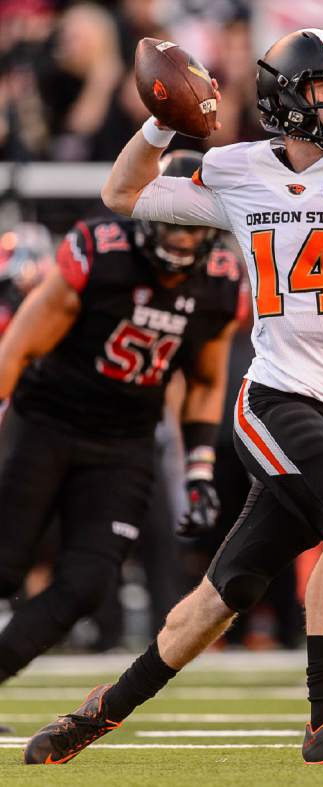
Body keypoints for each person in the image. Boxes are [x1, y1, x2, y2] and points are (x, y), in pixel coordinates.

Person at [25, 28, 323, 766]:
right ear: (288, 97)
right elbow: (122, 193)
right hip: (276, 394)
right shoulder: (238, 169)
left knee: (224, 592)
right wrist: (159, 122)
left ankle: (94, 715)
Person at [0, 149, 241, 688]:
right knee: (5, 566)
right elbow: (16, 348)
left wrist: (198, 470)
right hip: (47, 421)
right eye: (170, 224)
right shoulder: (101, 252)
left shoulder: (220, 283)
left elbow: (204, 380)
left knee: (87, 583)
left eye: (192, 226)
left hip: (125, 440)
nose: (180, 238)